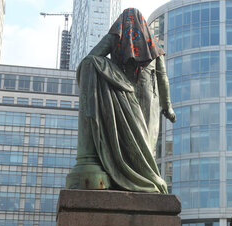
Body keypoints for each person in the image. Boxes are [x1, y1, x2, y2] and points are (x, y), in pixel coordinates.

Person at [67, 8, 176, 193]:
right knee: (145, 145)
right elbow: (163, 79)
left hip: (124, 98)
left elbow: (90, 59)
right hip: (147, 98)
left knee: (131, 143)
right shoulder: (153, 45)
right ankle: (145, 180)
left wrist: (103, 76)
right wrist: (168, 107)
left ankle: (135, 179)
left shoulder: (117, 36)